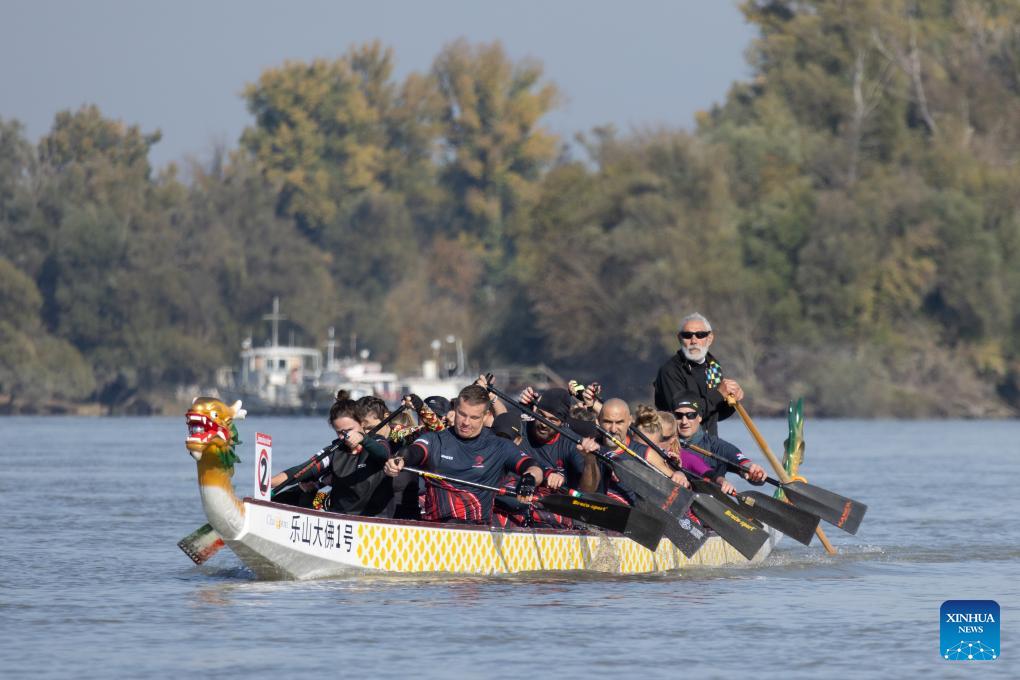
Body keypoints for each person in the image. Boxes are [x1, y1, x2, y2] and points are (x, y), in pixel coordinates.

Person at [384, 385, 544, 525]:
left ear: (486, 416)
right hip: (436, 533)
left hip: (476, 534)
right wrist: (400, 460)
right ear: (455, 410)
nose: (466, 422)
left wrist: (529, 479)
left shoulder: (499, 446)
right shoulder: (435, 439)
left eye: (474, 417)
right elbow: (413, 452)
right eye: (462, 414)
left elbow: (533, 467)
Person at [652, 312, 744, 436]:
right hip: (680, 443)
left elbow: (715, 414)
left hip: (711, 442)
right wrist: (719, 394)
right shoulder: (669, 371)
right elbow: (685, 417)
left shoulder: (713, 366)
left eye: (700, 335)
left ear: (709, 338)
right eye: (687, 335)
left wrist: (731, 402)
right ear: (680, 338)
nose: (694, 341)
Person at [671, 391, 766, 494]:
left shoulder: (717, 446)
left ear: (700, 417)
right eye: (678, 415)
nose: (684, 421)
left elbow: (743, 463)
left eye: (691, 415)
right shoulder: (664, 444)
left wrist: (753, 470)